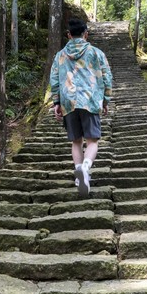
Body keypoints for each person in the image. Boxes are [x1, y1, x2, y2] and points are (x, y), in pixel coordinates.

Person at [49, 18, 113, 197]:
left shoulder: (60, 55)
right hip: (90, 101)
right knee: (92, 141)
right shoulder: (96, 53)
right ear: (86, 33)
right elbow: (107, 77)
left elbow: (54, 80)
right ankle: (85, 168)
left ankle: (79, 174)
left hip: (69, 102)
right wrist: (105, 100)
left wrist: (57, 102)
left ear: (69, 35)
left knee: (76, 141)